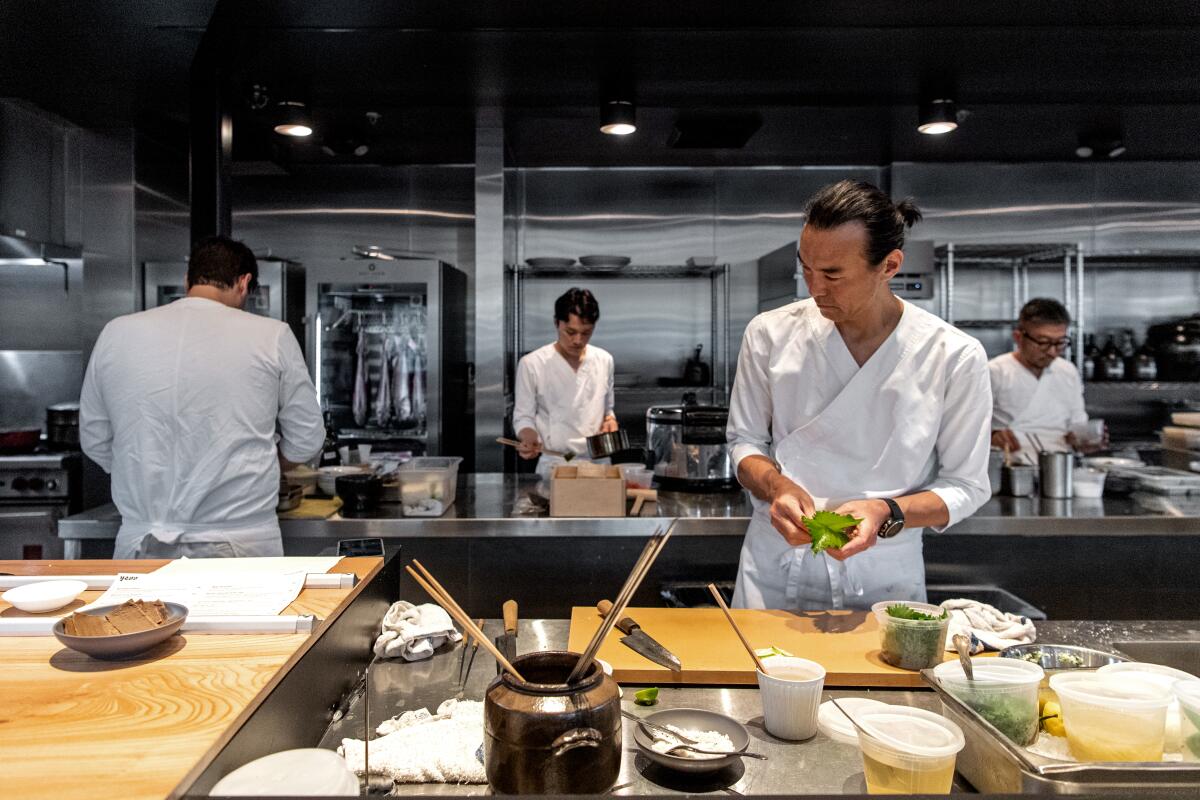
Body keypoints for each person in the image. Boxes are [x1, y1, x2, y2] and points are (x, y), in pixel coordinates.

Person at [726, 180, 992, 611]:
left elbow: (966, 486)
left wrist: (886, 512)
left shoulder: (952, 355)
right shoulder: (770, 333)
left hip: (883, 577)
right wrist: (776, 486)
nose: (815, 289)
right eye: (806, 269)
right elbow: (744, 443)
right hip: (775, 568)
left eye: (833, 274)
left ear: (889, 266)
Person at [80, 236, 324, 558]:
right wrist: (267, 463)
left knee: (141, 612)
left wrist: (149, 468)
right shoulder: (271, 335)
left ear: (187, 281)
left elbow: (94, 437)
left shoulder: (116, 332)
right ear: (244, 283)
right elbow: (307, 438)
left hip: (143, 545)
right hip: (240, 544)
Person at [989, 298, 1105, 463]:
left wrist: (1085, 439)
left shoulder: (1068, 371)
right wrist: (992, 436)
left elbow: (1077, 426)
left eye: (1060, 343)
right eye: (1043, 342)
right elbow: (965, 430)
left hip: (1061, 467)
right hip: (1010, 468)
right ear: (1018, 337)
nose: (1052, 352)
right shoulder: (994, 372)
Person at [511, 287, 617, 462]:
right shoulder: (532, 364)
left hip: (598, 462)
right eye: (570, 332)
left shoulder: (604, 360)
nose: (578, 340)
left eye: (586, 333)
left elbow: (608, 411)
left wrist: (610, 421)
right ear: (556, 323)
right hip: (555, 461)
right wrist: (528, 437)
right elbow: (523, 416)